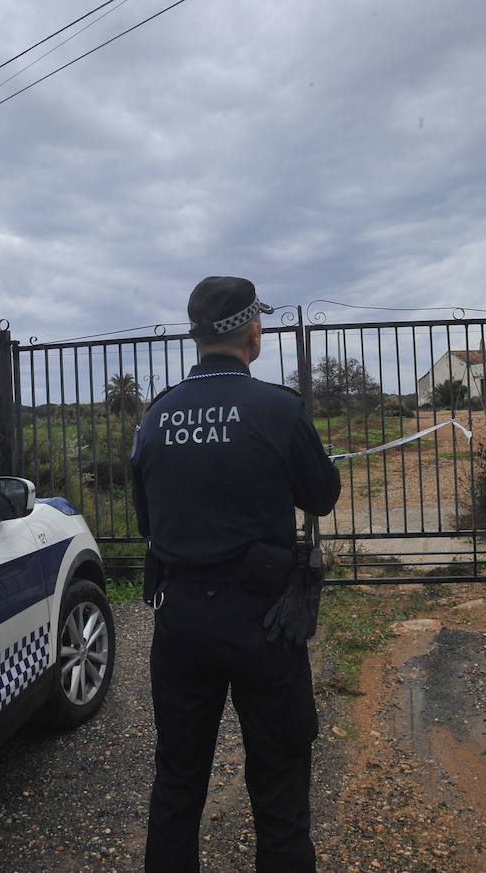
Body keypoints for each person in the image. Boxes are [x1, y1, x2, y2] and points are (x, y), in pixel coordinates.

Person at [133, 276, 341, 873]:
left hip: (179, 619)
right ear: (254, 332)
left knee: (177, 781)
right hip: (264, 622)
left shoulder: (158, 415)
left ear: (197, 337)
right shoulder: (277, 408)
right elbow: (322, 496)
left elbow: (148, 516)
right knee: (278, 782)